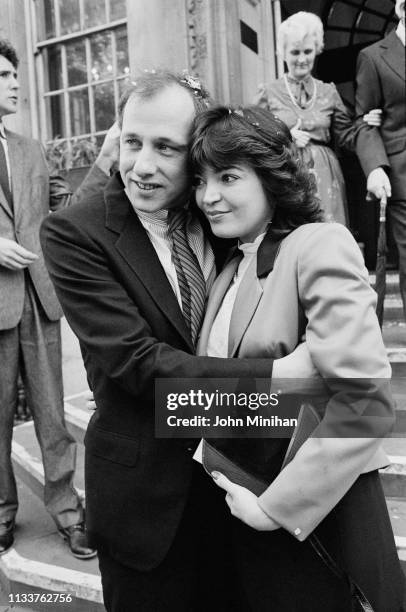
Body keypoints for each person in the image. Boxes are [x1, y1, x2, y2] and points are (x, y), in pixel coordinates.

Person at [40, 70, 316, 611]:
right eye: (131, 141)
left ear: (197, 155)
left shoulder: (221, 212)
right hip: (146, 506)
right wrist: (282, 391)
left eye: (166, 148)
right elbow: (138, 366)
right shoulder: (75, 232)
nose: (142, 166)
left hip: (237, 493)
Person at [190, 105, 405, 611]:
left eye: (228, 177)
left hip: (324, 510)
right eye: (201, 180)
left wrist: (274, 509)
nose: (209, 196)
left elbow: (366, 404)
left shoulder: (316, 244)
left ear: (272, 176)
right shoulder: (227, 271)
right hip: (246, 502)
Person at [0, 39, 95, 559]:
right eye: (3, 75)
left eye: (14, 74)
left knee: (52, 414)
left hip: (39, 298)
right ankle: (1, 513)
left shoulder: (31, 148)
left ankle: (67, 512)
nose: (15, 83)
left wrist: (104, 166)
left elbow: (68, 210)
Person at [253, 11, 381, 226]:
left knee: (326, 233)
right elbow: (252, 136)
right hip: (285, 172)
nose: (302, 59)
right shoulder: (268, 92)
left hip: (325, 175)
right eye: (294, 52)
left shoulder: (328, 91)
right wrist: (285, 136)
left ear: (317, 50)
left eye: (307, 51)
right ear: (282, 53)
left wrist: (365, 122)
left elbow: (347, 137)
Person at [355, 0, 406, 321]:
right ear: (402, 8)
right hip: (403, 177)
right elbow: (363, 122)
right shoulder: (373, 57)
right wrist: (375, 166)